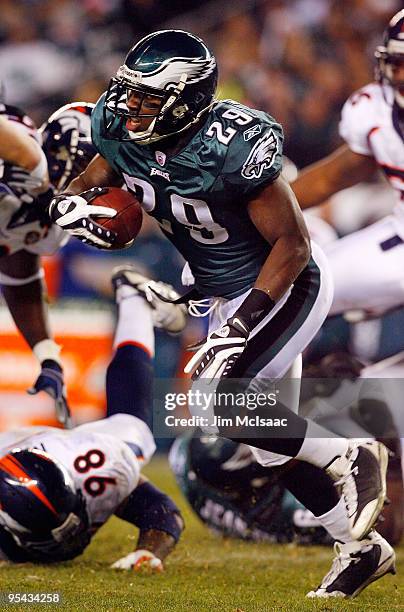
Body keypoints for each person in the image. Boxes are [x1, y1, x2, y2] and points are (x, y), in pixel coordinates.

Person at [48, 30, 393, 597]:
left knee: (220, 400)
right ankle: (360, 548)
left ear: (185, 100)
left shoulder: (231, 144)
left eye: (147, 99)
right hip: (220, 289)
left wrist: (240, 322)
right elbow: (101, 177)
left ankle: (350, 454)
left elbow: (293, 243)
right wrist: (75, 201)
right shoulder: (118, 121)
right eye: (130, 93)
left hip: (282, 284)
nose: (130, 107)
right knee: (263, 439)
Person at [0, 267, 185, 568]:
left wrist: (149, 554)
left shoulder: (97, 473)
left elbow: (160, 510)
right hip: (13, 447)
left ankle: (134, 298)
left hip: (59, 451)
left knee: (132, 430)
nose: (68, 535)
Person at [291, 8, 404, 319]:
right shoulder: (376, 110)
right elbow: (333, 177)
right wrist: (251, 207)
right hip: (400, 242)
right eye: (398, 64)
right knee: (299, 291)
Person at [0, 102, 99, 427]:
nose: (96, 183)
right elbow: (19, 145)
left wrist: (47, 357)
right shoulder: (25, 152)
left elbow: (21, 279)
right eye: (88, 168)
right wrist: (36, 172)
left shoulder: (50, 224)